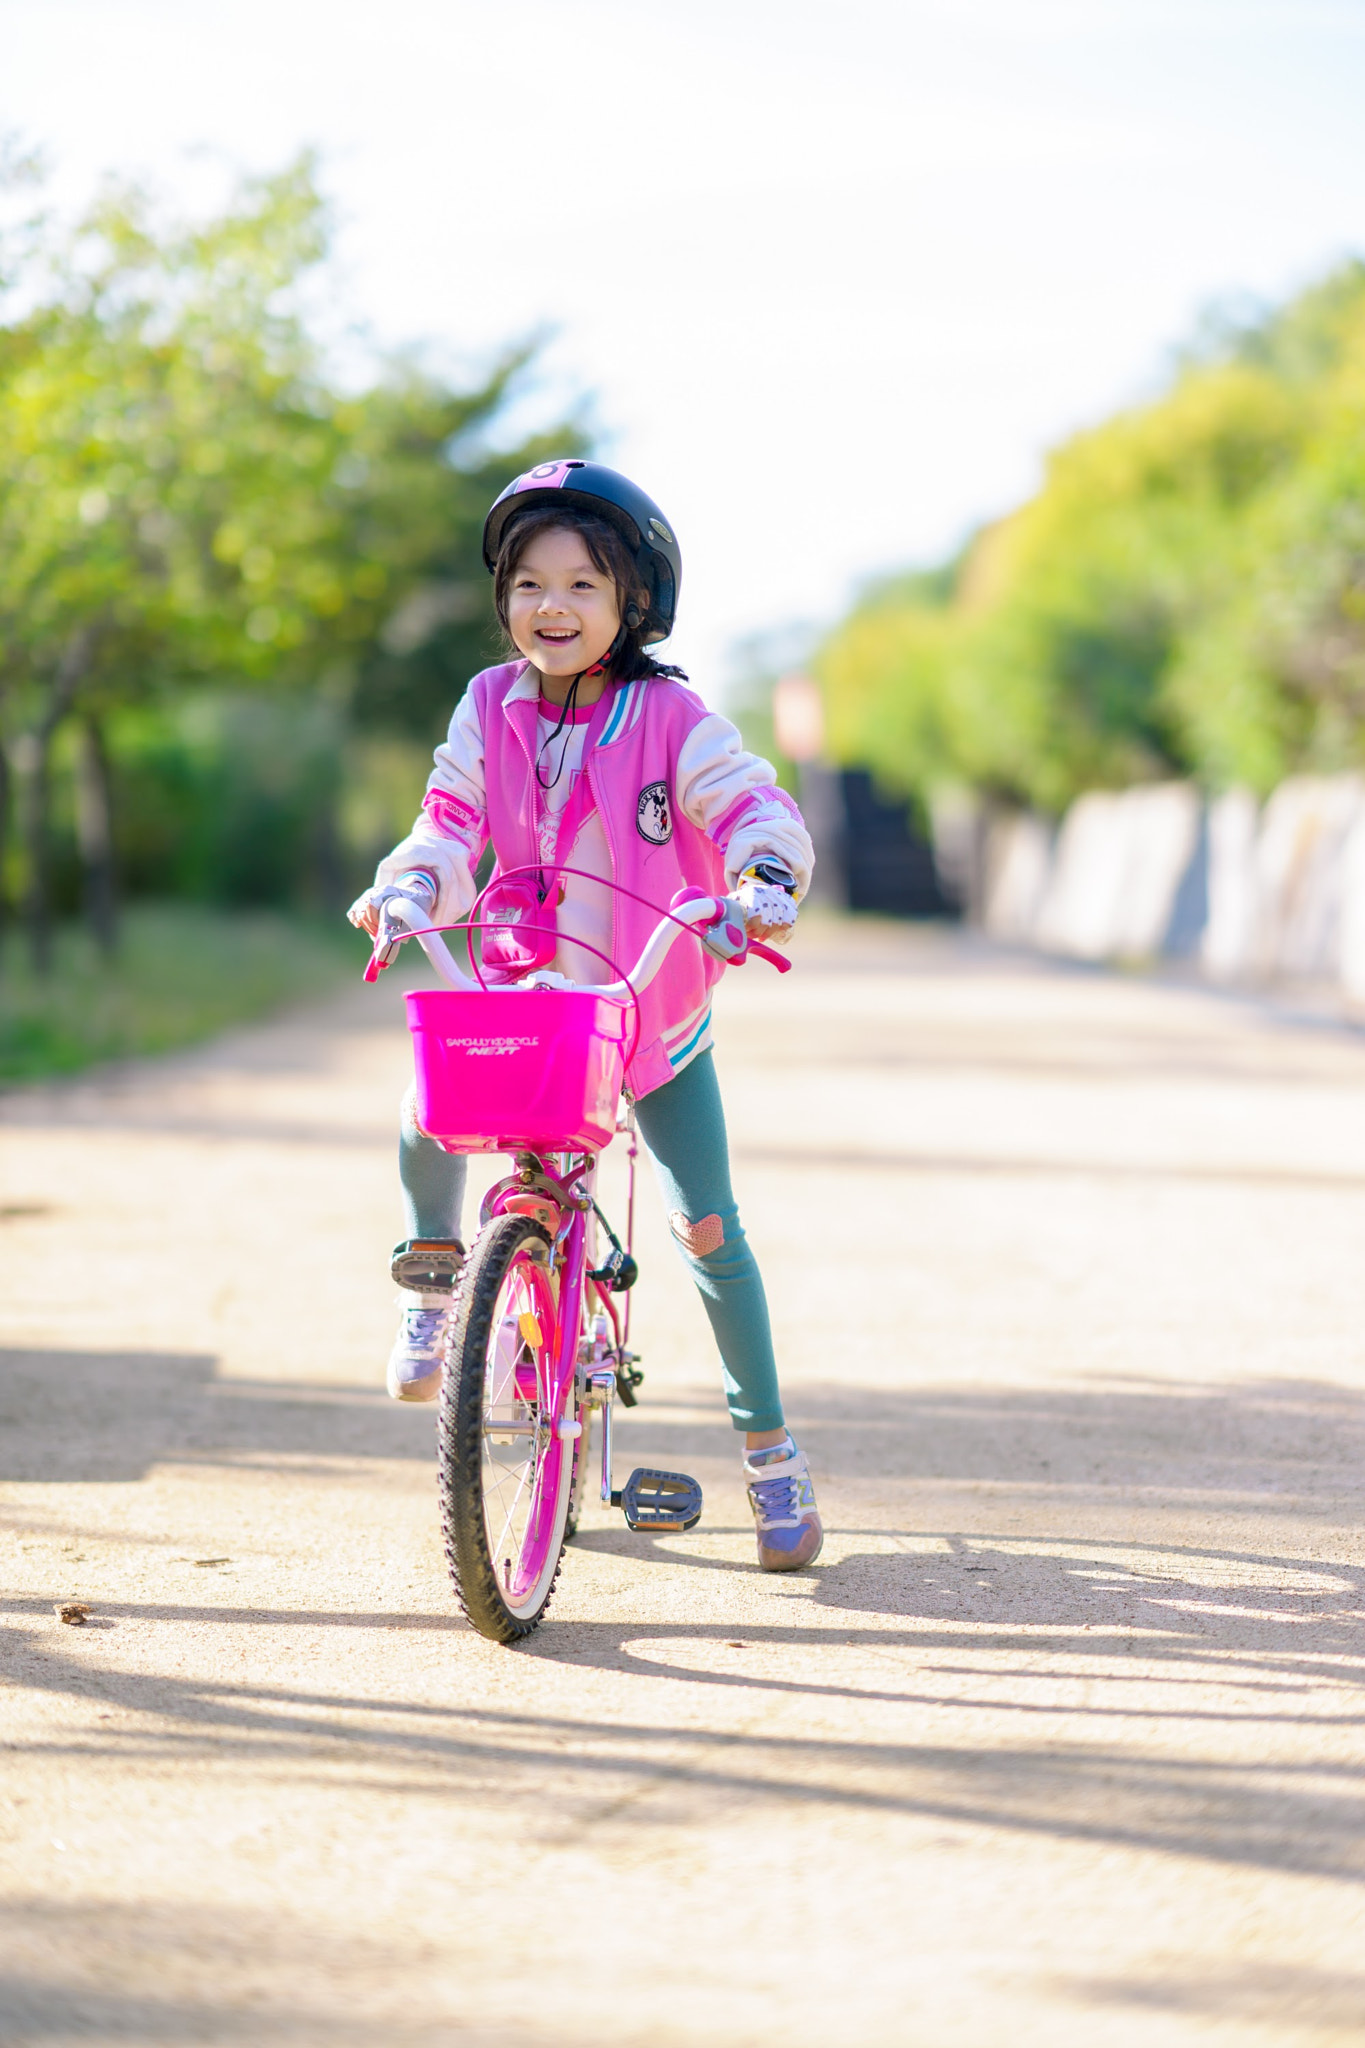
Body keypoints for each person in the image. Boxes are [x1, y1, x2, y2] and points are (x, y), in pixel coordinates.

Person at [348, 459, 822, 1571]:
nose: (550, 606)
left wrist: (758, 879)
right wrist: (412, 884)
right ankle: (434, 1272)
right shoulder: (487, 703)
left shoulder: (669, 713)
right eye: (526, 583)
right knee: (429, 1098)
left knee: (708, 1228)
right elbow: (448, 819)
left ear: (631, 604)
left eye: (581, 585)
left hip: (644, 1010)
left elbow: (750, 797)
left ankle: (771, 1451)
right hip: (531, 1000)